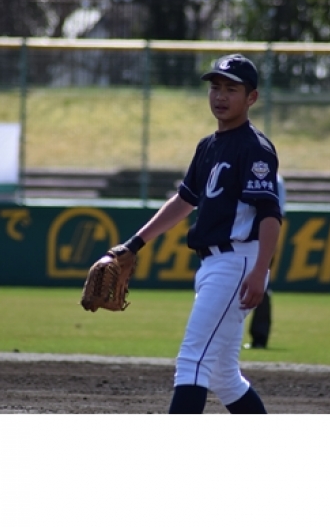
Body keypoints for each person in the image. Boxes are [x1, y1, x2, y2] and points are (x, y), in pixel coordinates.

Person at [119, 54, 282, 413]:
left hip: (237, 262)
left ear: (251, 98)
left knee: (193, 360)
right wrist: (135, 244)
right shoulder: (208, 146)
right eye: (215, 87)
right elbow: (184, 200)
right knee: (224, 376)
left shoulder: (255, 148)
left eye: (231, 89)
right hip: (214, 264)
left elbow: (270, 214)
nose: (220, 96)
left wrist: (260, 271)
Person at [245, 173, 286, 349]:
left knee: (260, 285)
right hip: (254, 238)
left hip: (259, 239)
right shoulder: (274, 178)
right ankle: (258, 337)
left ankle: (259, 336)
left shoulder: (272, 179)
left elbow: (274, 213)